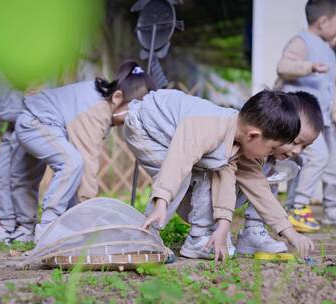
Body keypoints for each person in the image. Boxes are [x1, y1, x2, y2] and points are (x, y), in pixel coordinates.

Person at [123, 89, 315, 262]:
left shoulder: (236, 141)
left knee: (210, 172)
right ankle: (143, 239)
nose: (269, 155)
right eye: (271, 148)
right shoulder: (208, 127)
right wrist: (162, 202)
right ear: (253, 135)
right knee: (181, 175)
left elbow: (252, 187)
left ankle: (199, 238)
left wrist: (289, 232)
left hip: (174, 139)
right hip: (145, 127)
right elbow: (178, 161)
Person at [15, 60, 155, 242]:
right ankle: (48, 228)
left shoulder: (101, 101)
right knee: (71, 163)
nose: (133, 119)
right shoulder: (96, 110)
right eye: (132, 112)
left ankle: (54, 227)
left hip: (41, 122)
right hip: (35, 123)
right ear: (117, 98)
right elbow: (88, 161)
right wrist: (88, 213)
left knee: (58, 170)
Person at [277, 0, 336, 233]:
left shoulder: (329, 51)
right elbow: (283, 66)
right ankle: (298, 206)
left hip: (322, 119)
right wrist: (309, 66)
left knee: (333, 165)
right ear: (323, 21)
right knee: (317, 157)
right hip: (301, 117)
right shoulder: (302, 42)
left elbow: (333, 87)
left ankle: (332, 209)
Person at [236, 91, 324, 254]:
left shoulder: (275, 162)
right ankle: (207, 232)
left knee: (272, 178)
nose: (297, 150)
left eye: (305, 147)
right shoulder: (252, 149)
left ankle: (254, 229)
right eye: (295, 141)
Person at [0, 61, 45, 246]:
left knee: (21, 177)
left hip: (29, 122)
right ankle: (6, 225)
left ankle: (25, 227)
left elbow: (37, 79)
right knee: (0, 176)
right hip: (8, 126)